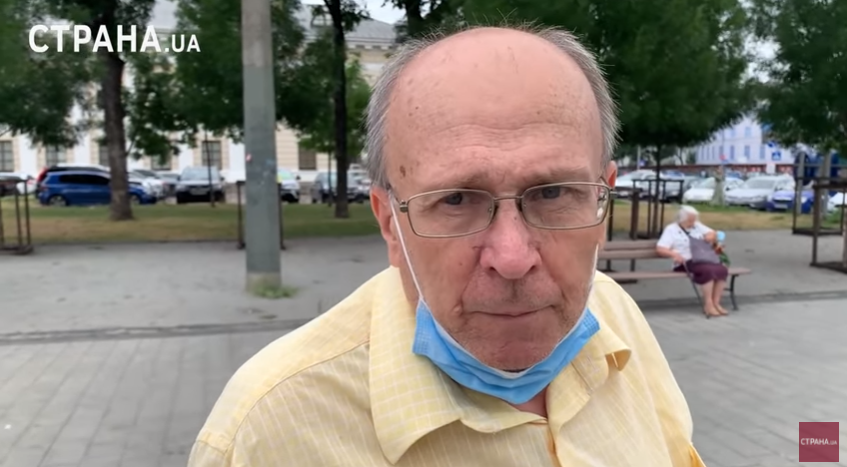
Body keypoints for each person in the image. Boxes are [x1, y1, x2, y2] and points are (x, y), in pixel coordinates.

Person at [188, 25, 707, 466]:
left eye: (553, 193)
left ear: (603, 200)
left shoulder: (616, 314)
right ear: (390, 224)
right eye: (456, 199)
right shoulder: (269, 433)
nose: (512, 258)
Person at [656, 205, 729, 317]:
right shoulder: (671, 229)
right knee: (708, 271)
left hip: (704, 258)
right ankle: (708, 305)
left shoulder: (697, 226)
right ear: (681, 219)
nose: (693, 222)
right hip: (685, 261)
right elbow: (660, 248)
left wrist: (710, 236)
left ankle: (716, 303)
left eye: (694, 219)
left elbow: (713, 233)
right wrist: (674, 254)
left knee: (722, 270)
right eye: (690, 220)